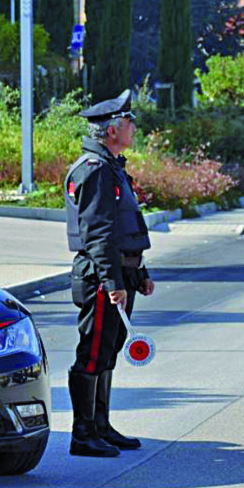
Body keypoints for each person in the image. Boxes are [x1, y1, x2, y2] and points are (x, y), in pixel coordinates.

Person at [64, 89, 155, 458]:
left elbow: (124, 225)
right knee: (92, 353)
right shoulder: (96, 171)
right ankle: (82, 434)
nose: (134, 127)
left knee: (109, 352)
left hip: (120, 275)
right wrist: (114, 282)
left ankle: (101, 426)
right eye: (129, 121)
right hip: (102, 278)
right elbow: (97, 233)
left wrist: (140, 272)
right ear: (112, 129)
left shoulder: (112, 167)